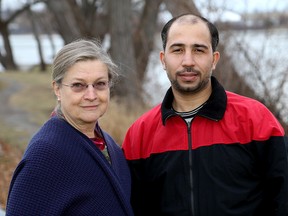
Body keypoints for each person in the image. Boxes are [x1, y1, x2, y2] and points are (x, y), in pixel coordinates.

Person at [122, 13, 288, 216]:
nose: (188, 61)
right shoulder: (140, 135)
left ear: (214, 59)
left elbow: (283, 197)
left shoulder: (255, 119)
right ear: (163, 59)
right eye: (178, 50)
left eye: (199, 50)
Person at [6, 38, 134, 216]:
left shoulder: (107, 144)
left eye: (100, 84)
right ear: (57, 89)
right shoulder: (45, 155)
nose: (91, 95)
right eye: (78, 86)